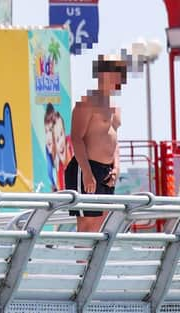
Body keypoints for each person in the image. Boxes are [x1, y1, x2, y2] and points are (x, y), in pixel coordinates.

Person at [65, 55, 127, 232]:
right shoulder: (87, 103)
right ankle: (82, 261)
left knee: (103, 224)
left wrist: (116, 168)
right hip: (86, 167)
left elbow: (115, 140)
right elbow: (76, 138)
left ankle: (95, 261)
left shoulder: (115, 108)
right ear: (103, 74)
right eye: (116, 72)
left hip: (106, 172)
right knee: (87, 224)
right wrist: (86, 172)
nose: (120, 78)